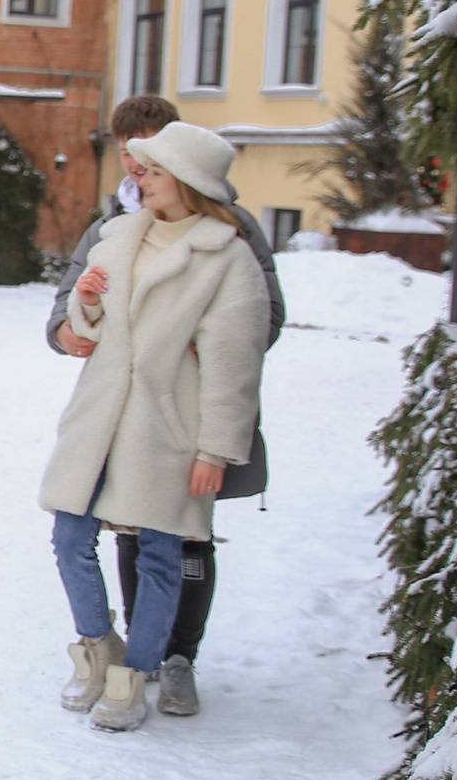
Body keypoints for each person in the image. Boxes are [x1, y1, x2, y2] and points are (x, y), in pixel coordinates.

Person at [46, 96, 287, 716]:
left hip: (166, 426)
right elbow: (81, 321)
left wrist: (216, 450)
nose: (135, 174)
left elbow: (237, 361)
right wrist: (87, 306)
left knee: (163, 551)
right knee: (70, 533)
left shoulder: (226, 251)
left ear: (182, 173)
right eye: (133, 162)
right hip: (101, 417)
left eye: (149, 165)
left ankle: (146, 671)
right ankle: (98, 647)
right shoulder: (117, 234)